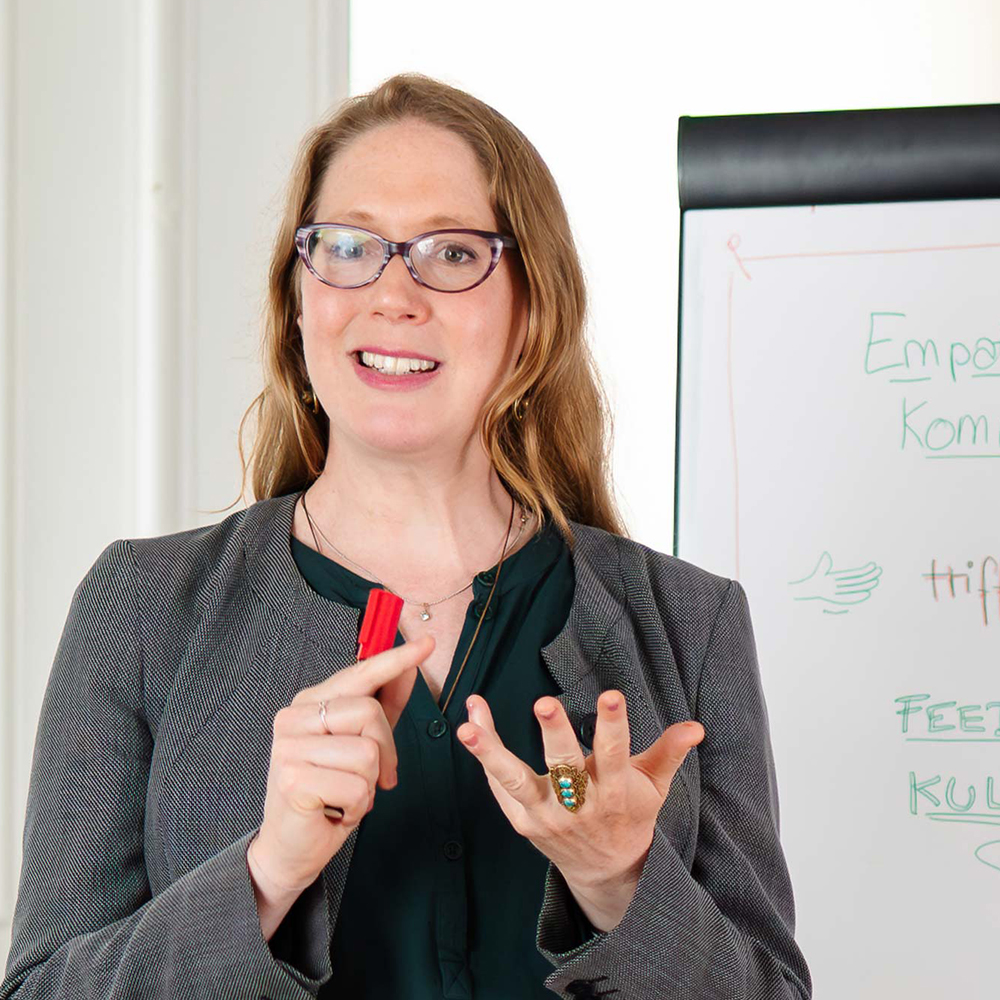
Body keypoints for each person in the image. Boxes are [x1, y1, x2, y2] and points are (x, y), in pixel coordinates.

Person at [1, 72, 812, 1000]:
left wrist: (619, 882)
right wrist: (266, 875)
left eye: (452, 253)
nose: (393, 294)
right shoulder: (141, 609)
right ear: (299, 299)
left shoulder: (689, 621)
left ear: (530, 310)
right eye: (347, 248)